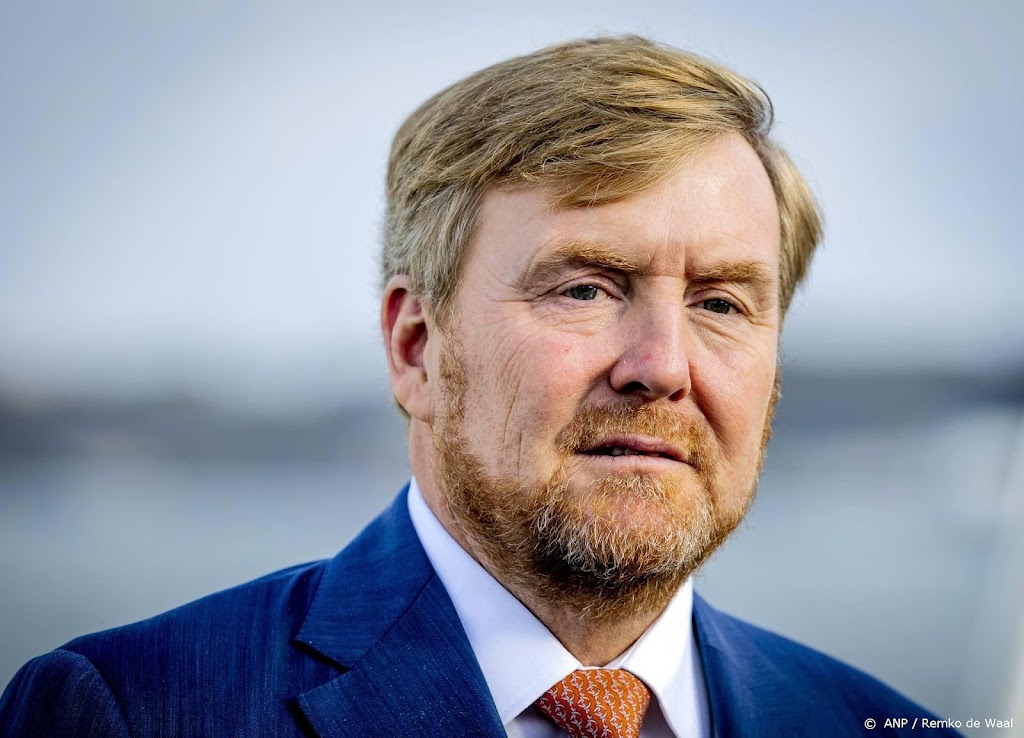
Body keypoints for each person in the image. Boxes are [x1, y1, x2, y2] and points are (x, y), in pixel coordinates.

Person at [0, 36, 961, 738]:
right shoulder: (134, 711)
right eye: (586, 289)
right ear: (417, 347)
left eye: (720, 303)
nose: (663, 366)